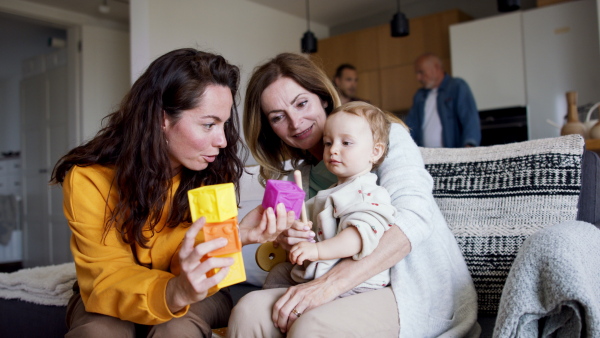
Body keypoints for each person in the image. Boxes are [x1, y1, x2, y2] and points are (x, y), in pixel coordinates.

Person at [228, 52, 480, 337]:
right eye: (278, 117)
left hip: (406, 284)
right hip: (338, 287)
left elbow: (414, 218)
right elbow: (317, 243)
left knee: (311, 326)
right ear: (269, 128)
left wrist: (329, 286)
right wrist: (291, 241)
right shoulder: (298, 174)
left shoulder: (383, 136)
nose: (296, 122)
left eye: (302, 103)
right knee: (248, 311)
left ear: (322, 96)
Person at [50, 48, 293, 337]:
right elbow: (107, 277)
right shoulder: (88, 179)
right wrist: (172, 291)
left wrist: (238, 235)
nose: (224, 141)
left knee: (177, 329)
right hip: (114, 290)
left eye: (224, 123)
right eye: (208, 124)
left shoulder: (214, 172)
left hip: (202, 290)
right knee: (97, 332)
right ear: (161, 118)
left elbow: (208, 265)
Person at [283, 102, 397, 297]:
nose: (333, 149)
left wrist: (316, 251)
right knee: (279, 273)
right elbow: (307, 221)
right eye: (328, 142)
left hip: (358, 285)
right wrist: (293, 227)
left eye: (346, 143)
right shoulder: (334, 190)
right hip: (324, 275)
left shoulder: (367, 193)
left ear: (375, 151)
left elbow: (356, 238)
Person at [405, 52, 481, 148]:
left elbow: (470, 120)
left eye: (421, 72)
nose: (418, 78)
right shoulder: (419, 95)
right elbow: (410, 127)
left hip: (454, 156)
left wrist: (470, 147)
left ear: (436, 68)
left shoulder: (457, 86)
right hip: (425, 158)